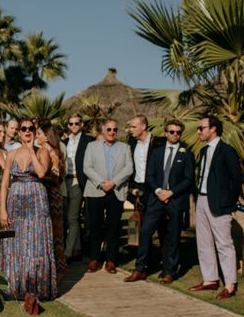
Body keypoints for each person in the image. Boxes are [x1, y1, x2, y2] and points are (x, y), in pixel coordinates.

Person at [125, 119, 195, 284]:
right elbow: (150, 175)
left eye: (178, 132)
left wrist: (170, 192)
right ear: (166, 133)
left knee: (173, 236)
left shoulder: (187, 154)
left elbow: (188, 179)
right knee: (144, 231)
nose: (175, 135)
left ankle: (169, 271)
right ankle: (140, 269)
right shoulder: (157, 152)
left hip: (175, 200)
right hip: (155, 199)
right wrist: (158, 191)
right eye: (172, 132)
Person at [0, 119, 57, 301]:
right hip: (15, 200)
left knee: (36, 242)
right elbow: (4, 185)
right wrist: (3, 209)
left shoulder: (43, 152)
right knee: (16, 241)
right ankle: (15, 286)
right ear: (19, 133)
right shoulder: (11, 154)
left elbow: (41, 173)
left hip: (37, 200)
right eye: (23, 129)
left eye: (31, 129)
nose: (27, 131)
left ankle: (36, 288)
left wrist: (32, 150)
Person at [189, 115, 243, 299]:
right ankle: (210, 279)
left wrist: (229, 202)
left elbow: (237, 178)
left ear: (213, 129)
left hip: (220, 204)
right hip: (202, 200)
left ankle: (230, 284)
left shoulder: (227, 151)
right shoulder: (204, 151)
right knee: (203, 242)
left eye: (201, 128)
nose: (198, 131)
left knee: (224, 244)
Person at [83, 118, 133, 274]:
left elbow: (129, 168)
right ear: (103, 131)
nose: (112, 132)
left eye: (115, 130)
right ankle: (94, 259)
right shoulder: (92, 146)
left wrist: (114, 182)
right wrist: (101, 182)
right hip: (96, 190)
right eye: (109, 129)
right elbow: (87, 167)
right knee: (95, 227)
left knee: (114, 227)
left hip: (116, 191)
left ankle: (111, 260)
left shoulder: (125, 147)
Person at [37, 120, 67, 282]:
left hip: (52, 195)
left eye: (39, 134)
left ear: (47, 137)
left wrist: (39, 177)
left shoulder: (52, 152)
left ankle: (59, 270)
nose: (37, 136)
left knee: (55, 233)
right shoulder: (43, 150)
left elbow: (56, 177)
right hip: (46, 194)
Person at [63, 114, 94, 262]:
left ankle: (68, 252)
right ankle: (76, 249)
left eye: (76, 123)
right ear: (68, 125)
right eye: (71, 123)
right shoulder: (64, 142)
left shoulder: (89, 141)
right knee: (66, 218)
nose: (74, 126)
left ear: (81, 124)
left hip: (78, 181)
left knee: (73, 217)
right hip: (63, 182)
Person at [128, 114, 165, 208]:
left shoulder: (159, 143)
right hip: (137, 188)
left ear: (143, 127)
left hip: (153, 188)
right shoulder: (132, 143)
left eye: (134, 127)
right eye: (130, 127)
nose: (130, 130)